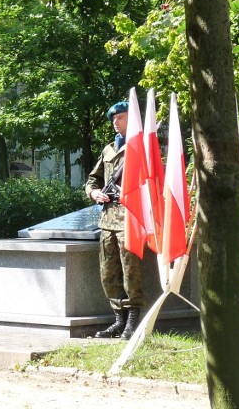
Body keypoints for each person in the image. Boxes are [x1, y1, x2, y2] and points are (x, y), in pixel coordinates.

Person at [85, 101, 145, 340]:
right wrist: (94, 193)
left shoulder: (142, 148)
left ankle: (132, 322)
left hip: (130, 219)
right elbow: (92, 179)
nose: (115, 122)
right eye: (113, 119)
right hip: (107, 219)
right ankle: (118, 320)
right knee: (108, 273)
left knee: (131, 272)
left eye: (120, 117)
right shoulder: (109, 149)